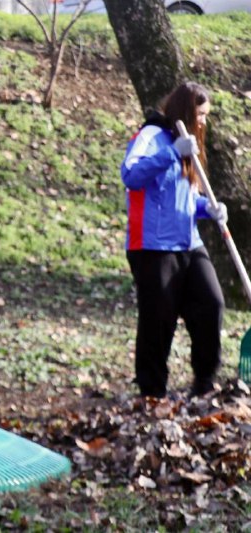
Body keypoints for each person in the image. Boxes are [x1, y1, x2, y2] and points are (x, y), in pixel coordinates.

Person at [121, 81, 228, 399]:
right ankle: (152, 392)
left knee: (211, 303)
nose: (204, 122)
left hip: (188, 241)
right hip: (152, 245)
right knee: (158, 320)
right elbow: (131, 175)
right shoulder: (151, 136)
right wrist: (171, 153)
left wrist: (208, 209)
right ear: (186, 111)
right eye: (201, 114)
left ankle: (204, 382)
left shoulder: (189, 145)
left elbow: (185, 198)